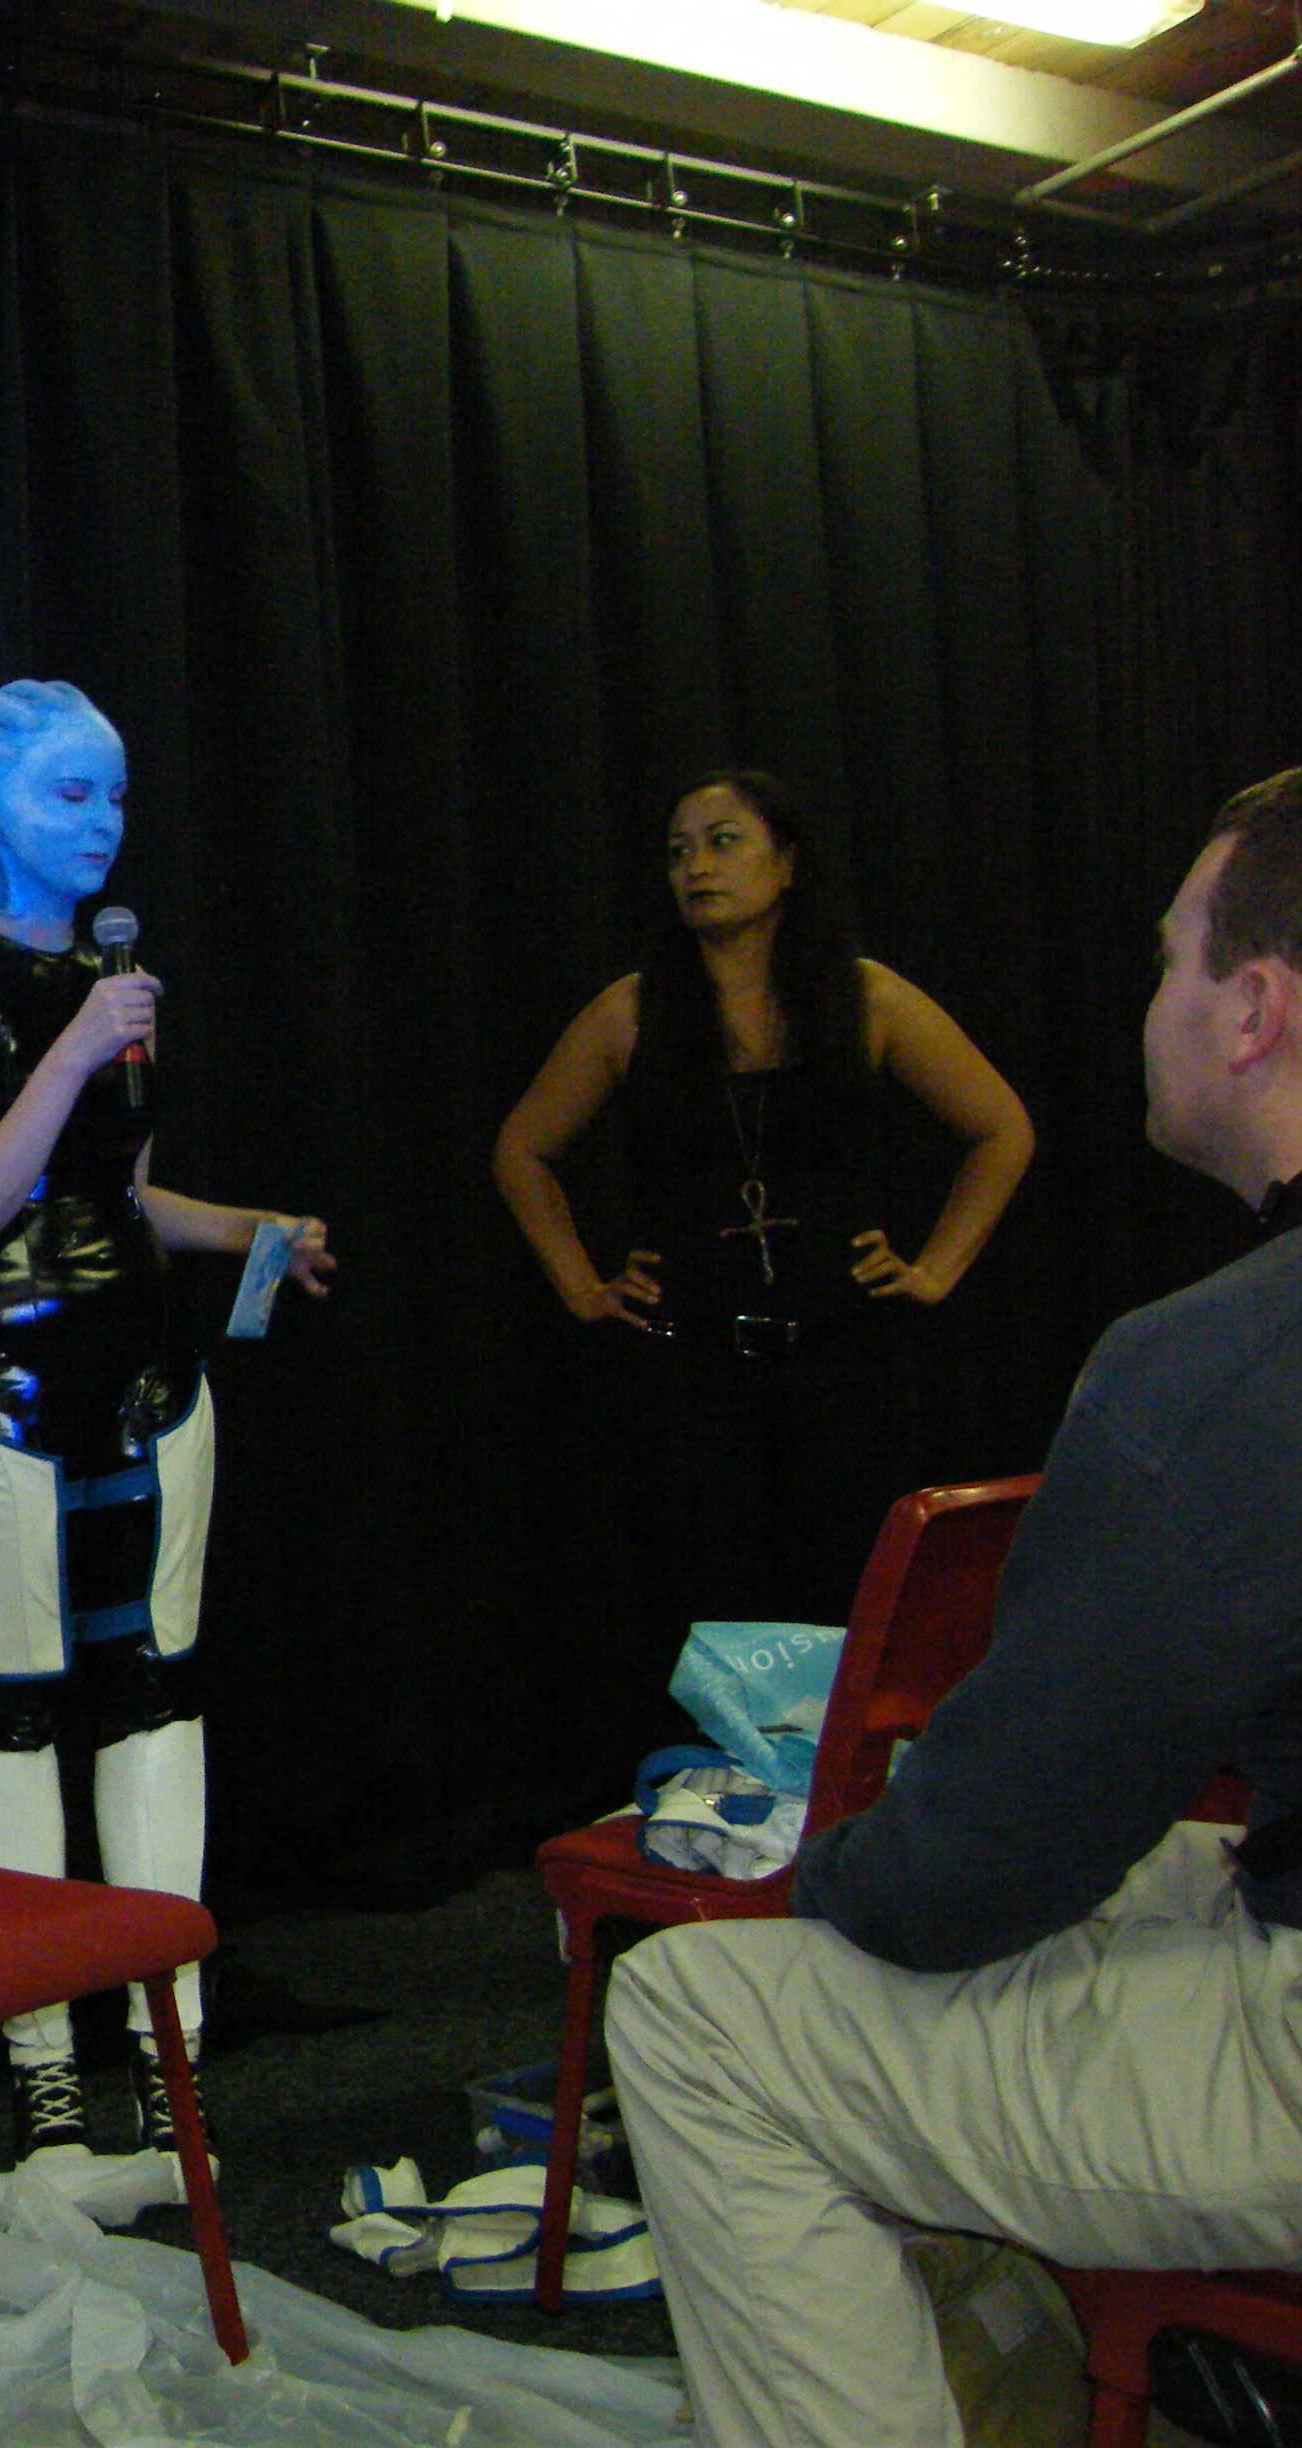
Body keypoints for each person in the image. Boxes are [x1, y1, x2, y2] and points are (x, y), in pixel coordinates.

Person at [604, 768, 1302, 2448]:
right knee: (1129, 1877)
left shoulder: (1210, 1369)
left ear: (1253, 1014)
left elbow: (969, 1869)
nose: (1152, 1000)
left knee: (699, 2018)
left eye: (1169, 960)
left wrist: (828, 1873)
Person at [0, 679, 333, 2164]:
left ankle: (166, 2035)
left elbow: (118, 1193)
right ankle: (44, 2056)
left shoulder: (110, 982)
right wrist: (73, 1048)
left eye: (115, 794)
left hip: (145, 1375)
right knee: (12, 1708)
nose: (102, 824)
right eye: (70, 793)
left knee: (156, 1694)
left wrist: (249, 1230)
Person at [493, 772, 1033, 1647]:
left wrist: (937, 1269)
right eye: (678, 852)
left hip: (845, 1373)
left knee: (846, 1619)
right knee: (706, 1625)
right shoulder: (631, 1012)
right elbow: (521, 1150)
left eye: (723, 841)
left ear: (786, 864)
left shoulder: (868, 998)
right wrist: (582, 1286)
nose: (696, 867)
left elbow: (1002, 1128)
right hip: (691, 1382)